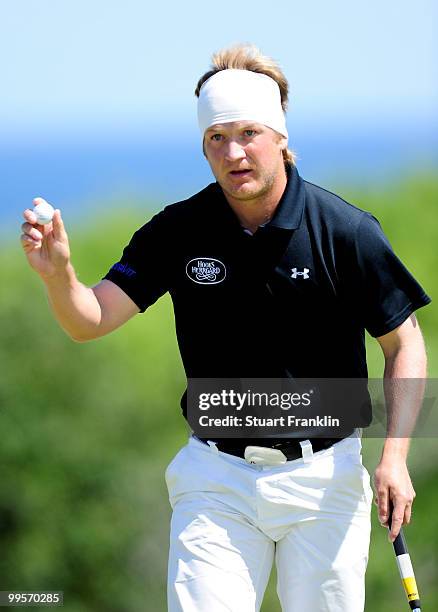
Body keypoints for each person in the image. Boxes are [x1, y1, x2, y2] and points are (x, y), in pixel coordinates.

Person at [20, 44, 430, 612]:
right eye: (217, 138)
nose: (234, 152)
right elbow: (89, 320)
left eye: (248, 133)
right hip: (214, 479)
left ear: (280, 137)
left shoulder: (345, 230)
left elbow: (404, 344)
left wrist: (395, 457)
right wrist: (59, 274)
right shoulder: (178, 230)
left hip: (324, 480)